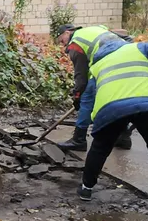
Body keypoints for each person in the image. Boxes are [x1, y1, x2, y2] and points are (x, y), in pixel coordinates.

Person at [77, 37, 148, 218]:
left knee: (100, 148)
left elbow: (88, 100)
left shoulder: (96, 66)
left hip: (111, 109)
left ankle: (85, 189)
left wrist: (83, 126)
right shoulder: (138, 48)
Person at [55, 24, 135, 152]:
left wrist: (77, 96)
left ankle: (79, 140)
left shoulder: (76, 44)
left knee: (87, 98)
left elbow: (81, 76)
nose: (62, 44)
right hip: (128, 61)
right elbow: (128, 38)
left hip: (108, 64)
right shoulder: (96, 29)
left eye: (61, 39)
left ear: (67, 33)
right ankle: (123, 137)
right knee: (118, 99)